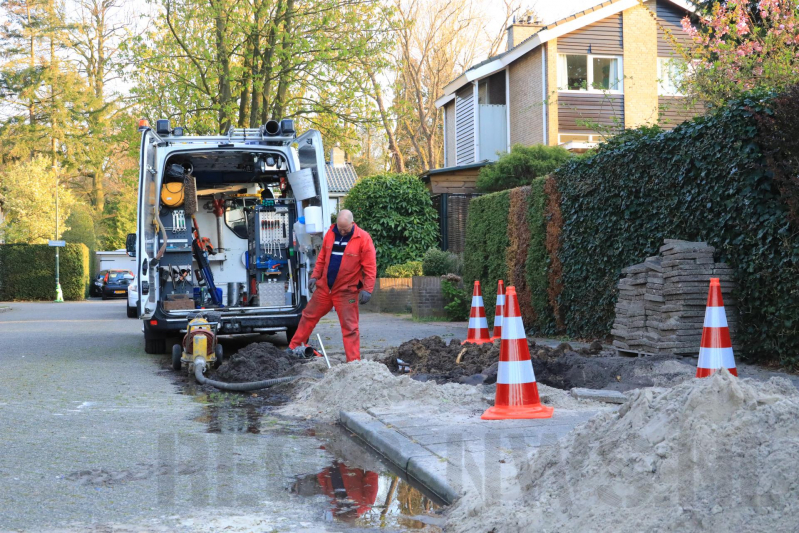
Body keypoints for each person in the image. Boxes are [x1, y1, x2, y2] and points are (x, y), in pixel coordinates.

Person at [288, 209, 376, 362]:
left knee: (350, 328)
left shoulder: (363, 238)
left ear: (352, 224)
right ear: (337, 223)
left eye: (345, 229)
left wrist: (367, 289)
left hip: (346, 291)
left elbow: (370, 266)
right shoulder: (330, 233)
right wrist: (315, 276)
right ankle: (293, 348)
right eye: (340, 228)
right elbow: (322, 257)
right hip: (324, 289)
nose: (342, 231)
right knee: (308, 316)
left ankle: (353, 362)